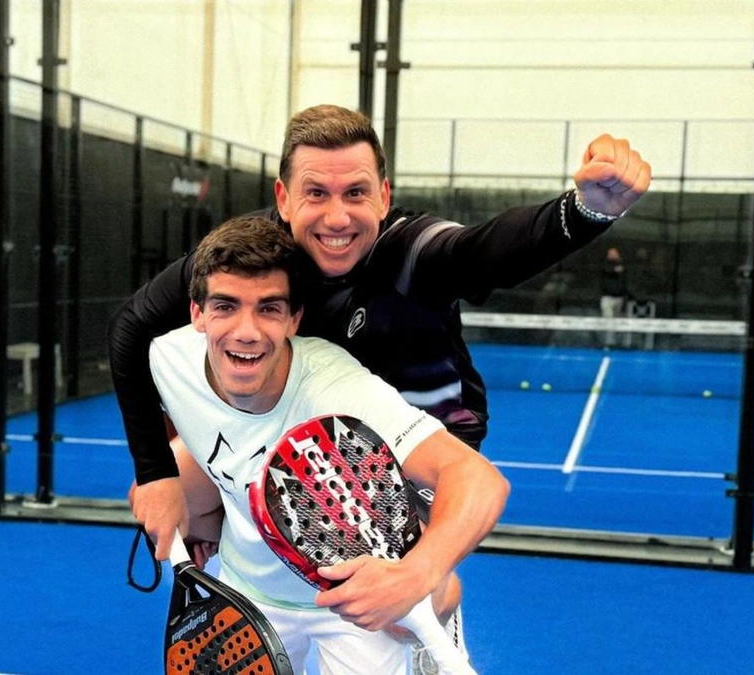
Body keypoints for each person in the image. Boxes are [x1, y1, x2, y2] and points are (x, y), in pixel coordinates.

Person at [112, 104, 650, 557]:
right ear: (283, 199)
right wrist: (155, 470)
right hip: (302, 438)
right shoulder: (256, 257)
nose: (337, 218)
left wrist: (583, 212)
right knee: (172, 493)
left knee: (401, 603)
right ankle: (228, 564)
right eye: (316, 193)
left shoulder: (410, 250)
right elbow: (133, 327)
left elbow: (482, 252)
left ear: (385, 196)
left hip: (416, 460)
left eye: (356, 193)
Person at [147, 216, 508, 673]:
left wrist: (417, 575)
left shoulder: (337, 390)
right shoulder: (167, 355)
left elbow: (479, 479)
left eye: (269, 309)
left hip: (359, 600)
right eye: (225, 306)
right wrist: (164, 488)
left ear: (295, 319)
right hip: (248, 593)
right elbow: (170, 421)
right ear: (197, 314)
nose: (246, 331)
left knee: (432, 595)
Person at [599, 247, 628, 347]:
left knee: (616, 321)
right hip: (607, 298)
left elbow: (624, 273)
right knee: (608, 320)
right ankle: (608, 343)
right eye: (611, 254)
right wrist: (616, 269)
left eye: (615, 254)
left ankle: (616, 342)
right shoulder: (604, 264)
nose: (613, 256)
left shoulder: (622, 264)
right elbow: (608, 270)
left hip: (619, 298)